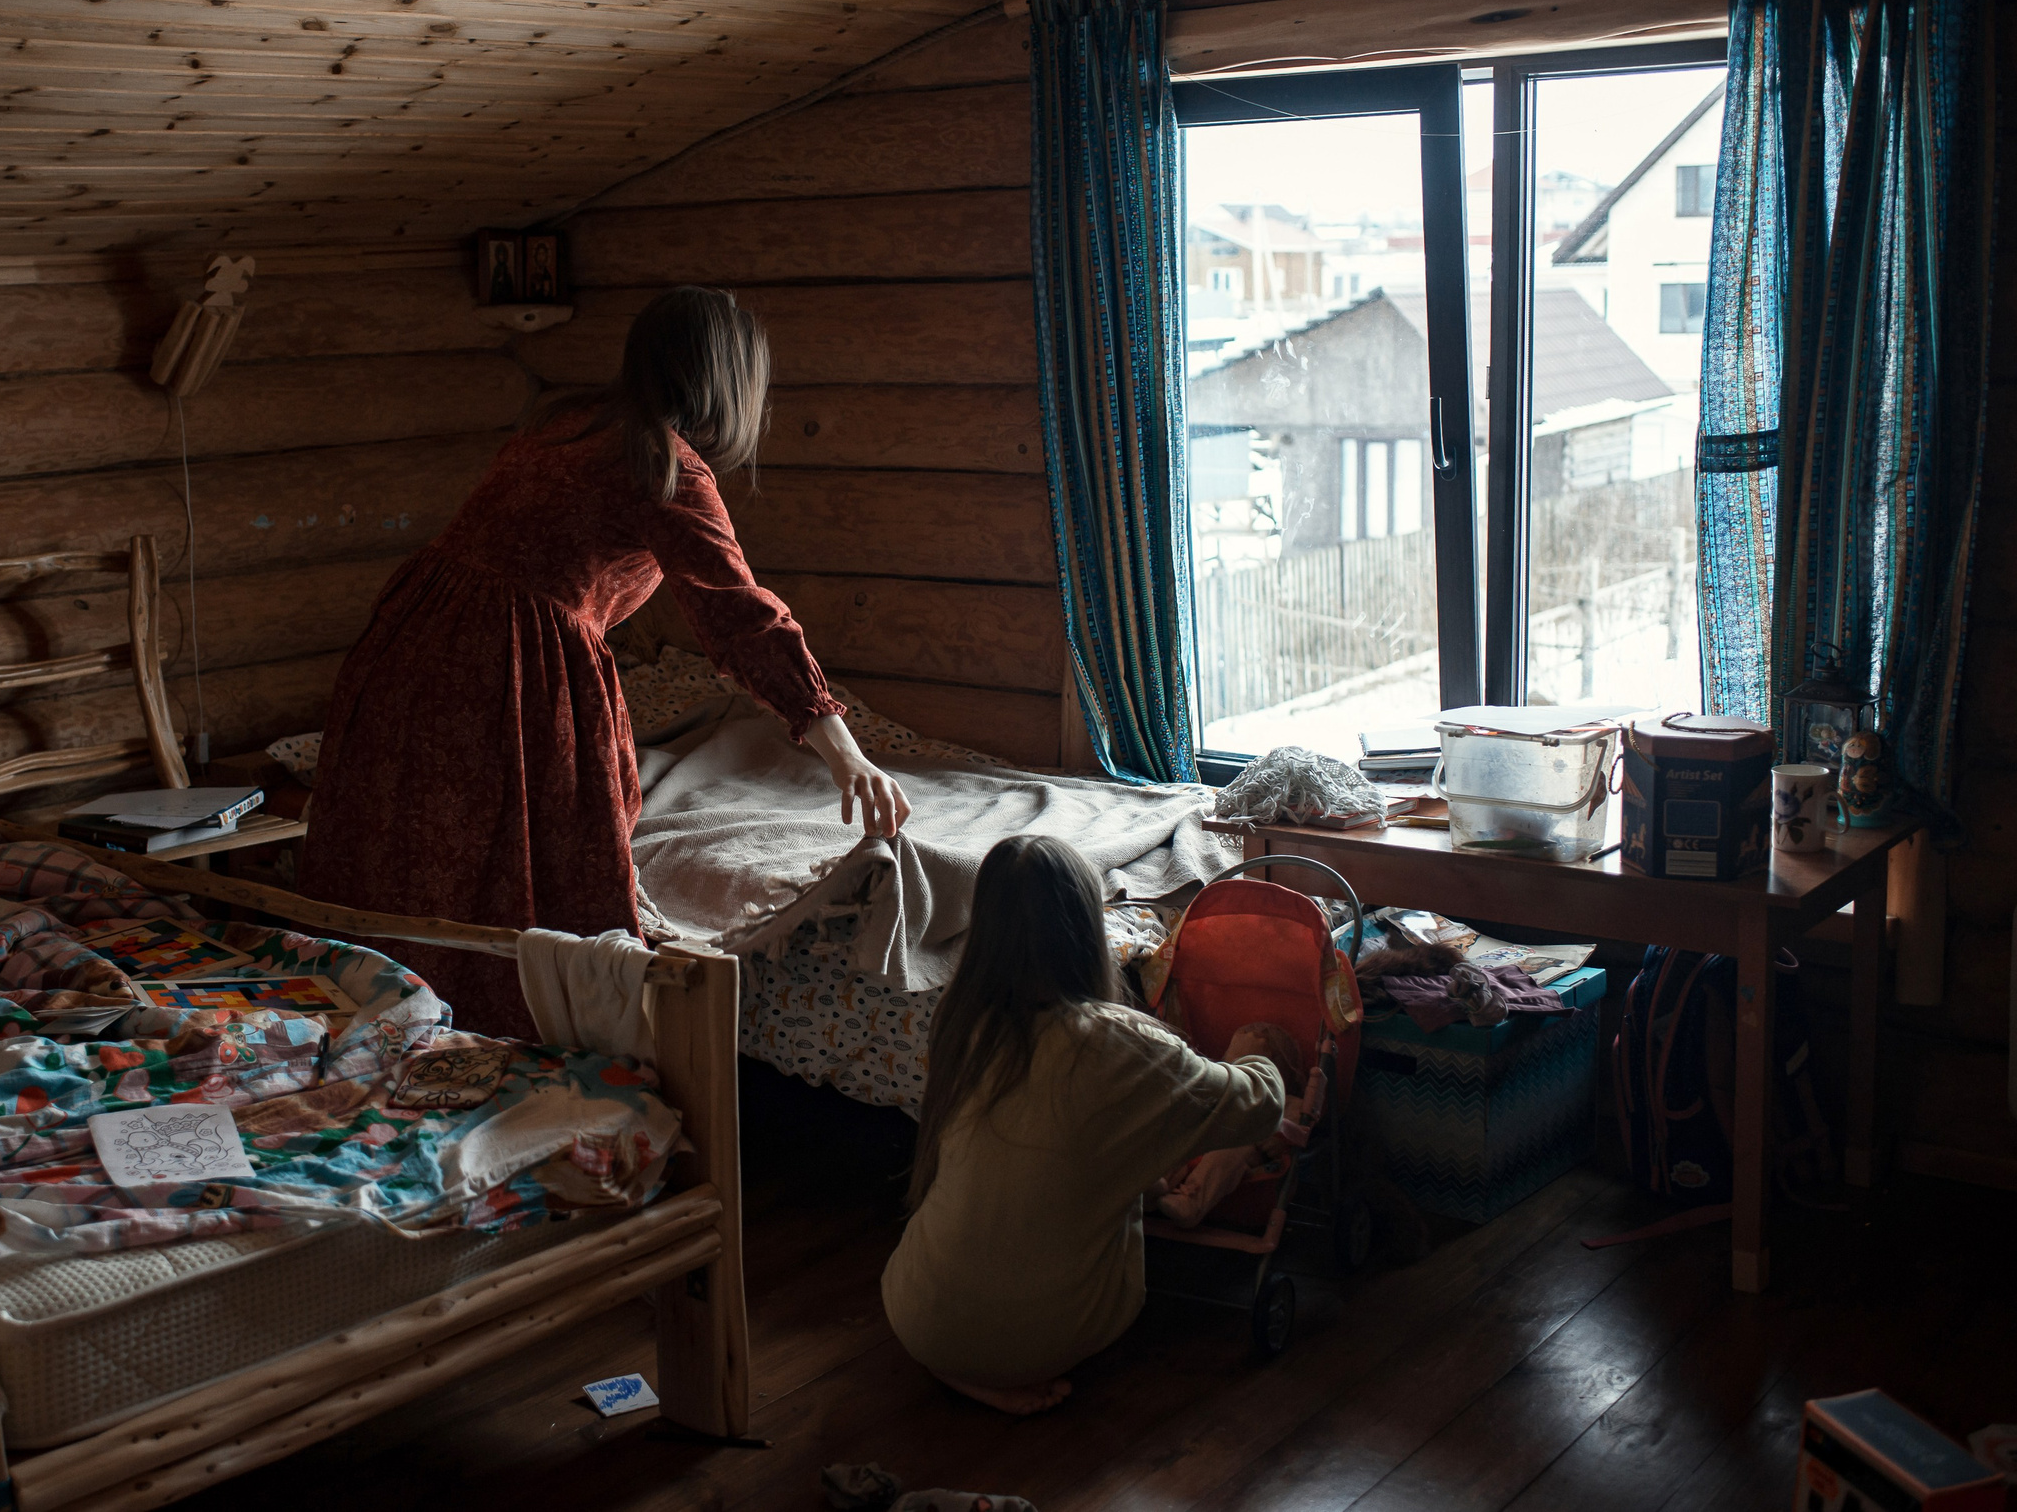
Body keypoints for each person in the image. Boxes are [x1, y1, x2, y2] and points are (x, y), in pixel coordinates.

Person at [299, 285, 911, 1039]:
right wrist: (841, 748)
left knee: (414, 852)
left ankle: (393, 1022)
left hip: (413, 639)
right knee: (538, 875)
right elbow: (739, 611)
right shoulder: (661, 465)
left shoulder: (564, 421)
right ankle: (523, 1043)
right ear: (728, 380)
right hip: (504, 668)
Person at [881, 836, 1285, 1414]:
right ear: (1084, 929)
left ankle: (962, 1372)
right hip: (1046, 1338)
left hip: (914, 1313)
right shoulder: (1118, 1042)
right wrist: (1255, 1051)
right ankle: (998, 1374)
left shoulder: (961, 1019)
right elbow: (1261, 1105)